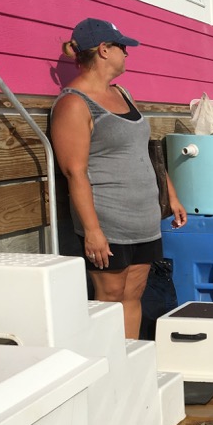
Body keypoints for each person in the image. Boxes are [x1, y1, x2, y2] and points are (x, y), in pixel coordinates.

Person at [51, 18, 187, 340]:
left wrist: (174, 197)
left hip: (145, 221)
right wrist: (93, 231)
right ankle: (109, 373)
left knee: (133, 297)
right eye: (122, 47)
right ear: (103, 50)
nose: (127, 53)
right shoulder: (73, 103)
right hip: (109, 225)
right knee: (108, 300)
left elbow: (145, 152)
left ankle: (129, 367)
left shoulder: (123, 93)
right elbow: (74, 172)